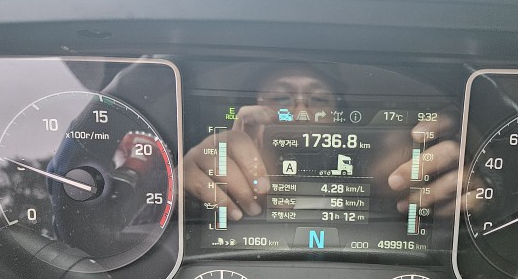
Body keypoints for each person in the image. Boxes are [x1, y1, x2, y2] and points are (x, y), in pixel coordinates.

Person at [183, 64, 468, 221]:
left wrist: (470, 170)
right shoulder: (216, 171)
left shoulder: (390, 175)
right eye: (281, 98)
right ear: (244, 119)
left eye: (319, 100)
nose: (302, 112)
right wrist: (182, 194)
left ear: (340, 119)